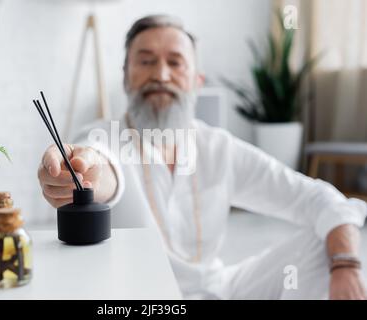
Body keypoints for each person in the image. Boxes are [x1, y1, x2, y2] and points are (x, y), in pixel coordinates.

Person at [37, 15, 367, 299]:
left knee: (326, 243)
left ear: (197, 81)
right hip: (143, 300)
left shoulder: (218, 147)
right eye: (146, 61)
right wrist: (85, 174)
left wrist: (347, 264)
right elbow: (99, 163)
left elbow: (317, 198)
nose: (161, 75)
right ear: (125, 76)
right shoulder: (100, 137)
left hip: (219, 290)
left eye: (175, 62)